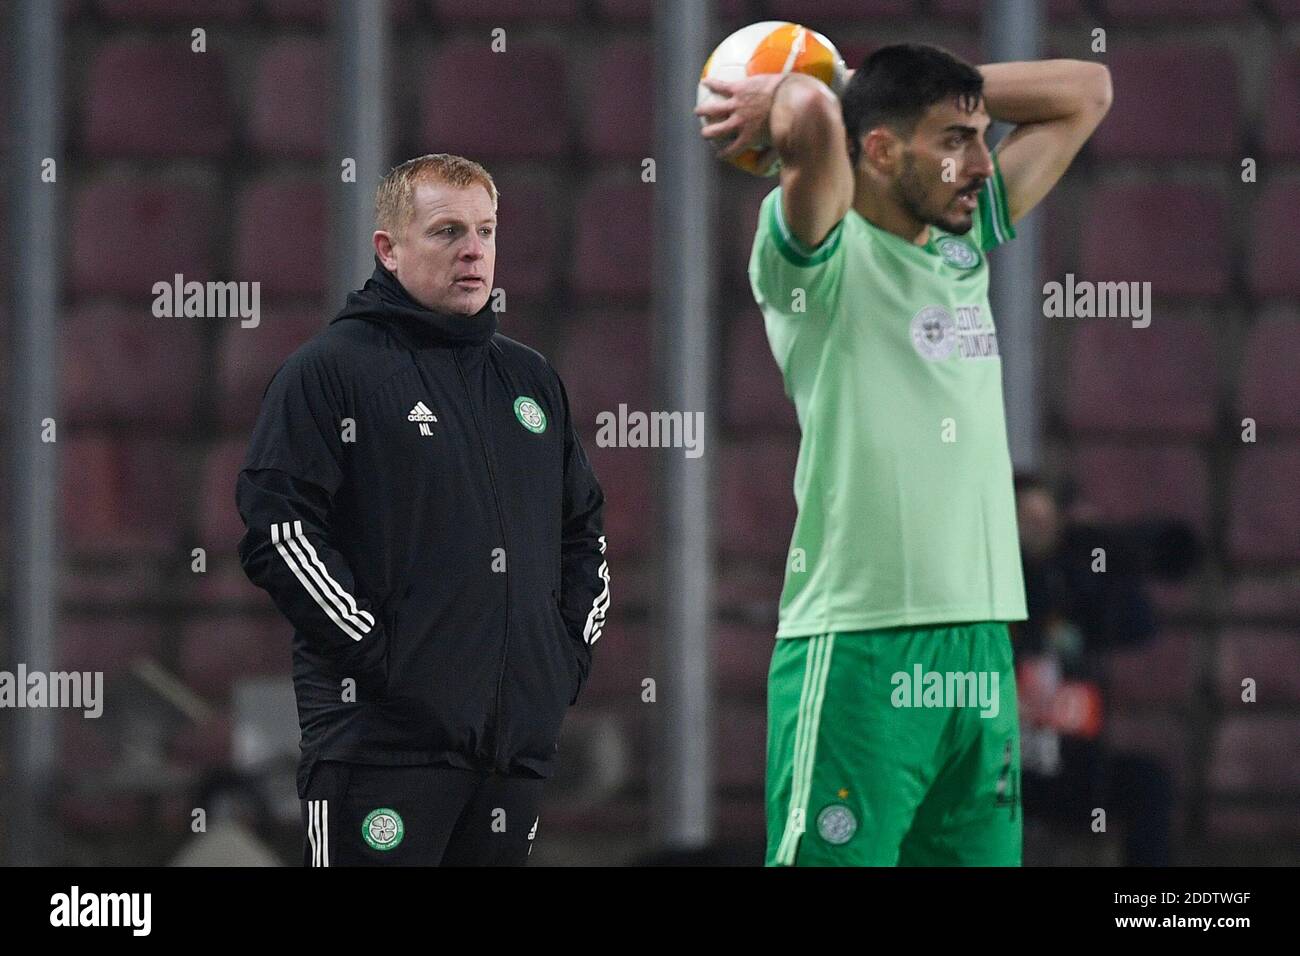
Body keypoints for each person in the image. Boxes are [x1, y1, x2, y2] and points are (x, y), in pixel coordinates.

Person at [696, 44, 1112, 865]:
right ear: (880, 150)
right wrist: (808, 90)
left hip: (981, 647)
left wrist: (911, 94)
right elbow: (813, 121)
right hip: (860, 644)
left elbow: (1088, 91)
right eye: (956, 140)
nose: (982, 166)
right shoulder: (818, 255)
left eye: (983, 137)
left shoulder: (960, 247)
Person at [236, 153, 610, 866]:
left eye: (486, 231)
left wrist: (557, 664)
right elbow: (278, 532)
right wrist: (387, 660)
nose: (473, 250)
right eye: (447, 232)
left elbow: (583, 532)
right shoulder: (330, 370)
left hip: (510, 753)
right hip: (379, 749)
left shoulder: (530, 380)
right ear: (389, 248)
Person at [1013, 473, 1172, 866]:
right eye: (1023, 518)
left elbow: (1139, 629)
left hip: (1074, 764)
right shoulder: (997, 581)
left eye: (1044, 519)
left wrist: (1101, 553)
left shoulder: (1077, 579)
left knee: (1149, 784)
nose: (1035, 529)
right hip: (1007, 762)